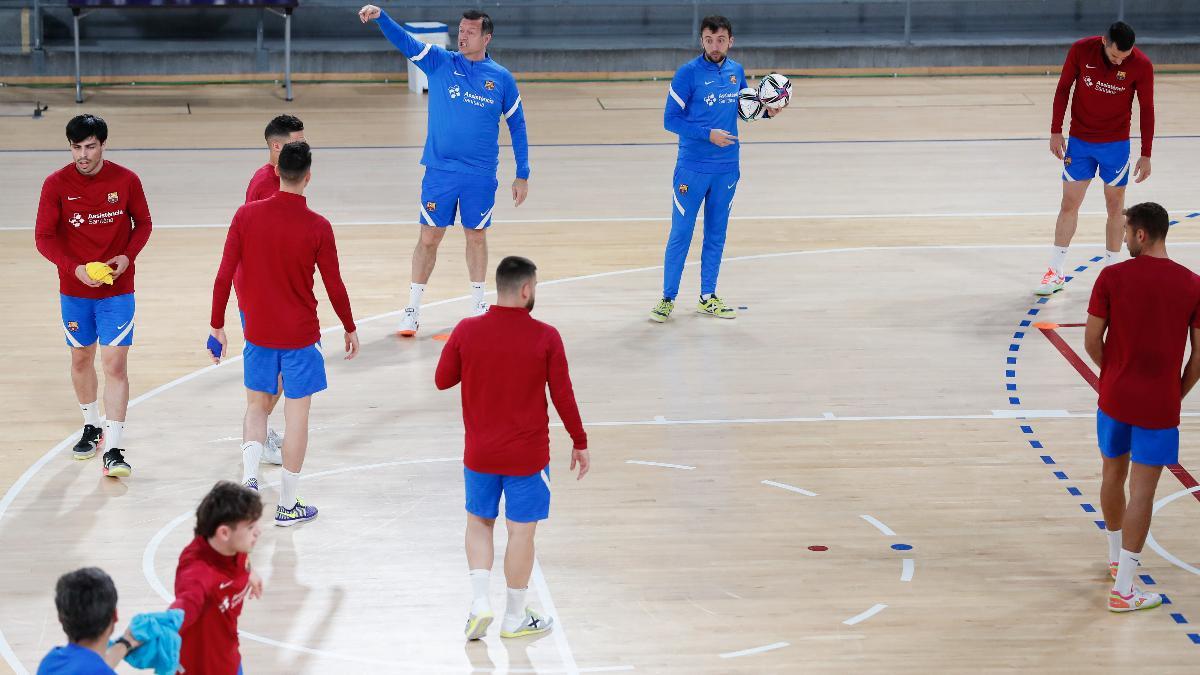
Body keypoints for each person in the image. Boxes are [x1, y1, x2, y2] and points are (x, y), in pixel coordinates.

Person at [435, 256, 589, 640]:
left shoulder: (467, 330)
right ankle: (515, 617)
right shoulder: (546, 336)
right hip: (527, 458)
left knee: (478, 524)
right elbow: (563, 396)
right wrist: (579, 441)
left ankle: (479, 603)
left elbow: (442, 380)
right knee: (521, 533)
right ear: (526, 290)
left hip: (480, 455)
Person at [210, 141, 359, 526]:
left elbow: (225, 274)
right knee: (296, 421)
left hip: (258, 333)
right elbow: (334, 284)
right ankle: (288, 506)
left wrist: (217, 325)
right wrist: (349, 326)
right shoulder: (318, 227)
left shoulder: (245, 216)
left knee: (256, 407)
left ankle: (249, 482)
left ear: (276, 172)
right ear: (309, 176)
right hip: (300, 337)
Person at [359, 5, 530, 336]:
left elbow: (518, 126)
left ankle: (479, 306)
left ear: (486, 37)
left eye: (470, 31)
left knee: (476, 235)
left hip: (479, 175)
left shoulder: (501, 78)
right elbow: (406, 42)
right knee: (428, 237)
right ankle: (411, 309)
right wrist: (381, 17)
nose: (462, 36)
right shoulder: (440, 61)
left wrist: (522, 173)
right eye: (460, 30)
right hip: (440, 172)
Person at [1084, 202, 1200, 612]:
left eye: (1126, 230)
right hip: (1159, 405)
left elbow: (1091, 341)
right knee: (1143, 493)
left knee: (1112, 475)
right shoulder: (1192, 284)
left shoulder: (1111, 277)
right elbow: (1199, 357)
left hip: (1113, 398)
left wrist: (1113, 374)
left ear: (1141, 235)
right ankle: (1125, 587)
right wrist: (1176, 393)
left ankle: (1116, 560)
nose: (1123, 237)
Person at [35, 113, 153, 478]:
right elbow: (44, 237)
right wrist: (76, 270)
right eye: (76, 147)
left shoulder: (126, 180)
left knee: (115, 364)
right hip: (74, 290)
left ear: (103, 144)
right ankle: (92, 426)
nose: (82, 155)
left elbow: (143, 223)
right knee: (81, 358)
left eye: (89, 147)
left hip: (117, 289)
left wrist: (126, 256)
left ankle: (115, 448)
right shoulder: (55, 185)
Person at [650, 15, 785, 323]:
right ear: (702, 41)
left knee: (716, 234)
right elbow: (670, 120)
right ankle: (667, 298)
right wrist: (706, 134)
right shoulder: (687, 75)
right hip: (691, 169)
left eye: (720, 40)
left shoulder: (737, 72)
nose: (714, 45)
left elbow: (746, 110)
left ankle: (707, 297)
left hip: (726, 169)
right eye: (709, 40)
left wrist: (768, 113)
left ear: (730, 41)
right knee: (681, 234)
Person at [1038, 21, 1154, 296]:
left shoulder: (1141, 65)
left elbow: (1147, 108)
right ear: (1104, 41)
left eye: (1124, 58)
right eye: (1115, 56)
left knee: (1116, 209)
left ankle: (1113, 275)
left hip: (1115, 146)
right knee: (1069, 204)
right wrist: (1056, 130)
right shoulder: (1081, 50)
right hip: (1079, 142)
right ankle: (1055, 271)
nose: (1118, 63)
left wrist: (1146, 153)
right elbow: (1064, 88)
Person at [240, 114, 308, 465]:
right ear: (277, 146)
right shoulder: (268, 184)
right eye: (297, 142)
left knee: (275, 373)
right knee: (273, 376)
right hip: (263, 294)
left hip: (265, 291)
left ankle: (259, 432)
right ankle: (259, 436)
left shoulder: (275, 176)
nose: (304, 147)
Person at [170, 481, 264, 674]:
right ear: (224, 532)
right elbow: (184, 606)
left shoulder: (233, 547)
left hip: (230, 658)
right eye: (251, 527)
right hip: (201, 668)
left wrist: (249, 571)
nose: (258, 532)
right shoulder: (198, 574)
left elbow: (244, 558)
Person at [37, 567, 140, 674]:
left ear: (60, 619)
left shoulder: (50, 663)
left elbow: (89, 667)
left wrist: (125, 643)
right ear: (115, 616)